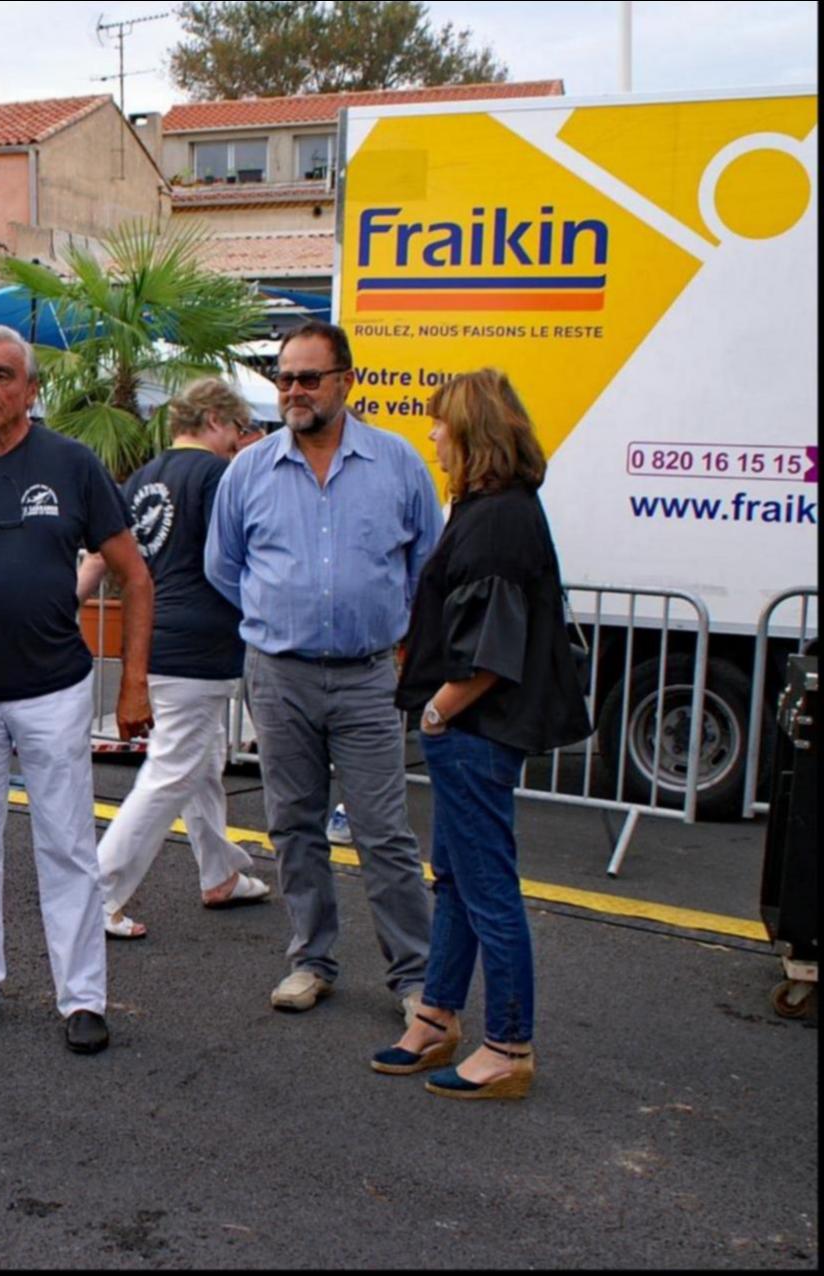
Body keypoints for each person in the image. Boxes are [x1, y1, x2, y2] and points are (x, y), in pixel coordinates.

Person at [0, 324, 155, 1056]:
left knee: (67, 843)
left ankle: (82, 997)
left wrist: (132, 686)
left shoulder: (73, 465)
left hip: (54, 688)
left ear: (31, 390)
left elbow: (135, 575)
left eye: (2, 375)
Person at [205, 320, 442, 1019]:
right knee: (294, 825)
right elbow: (224, 567)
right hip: (279, 676)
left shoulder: (398, 464)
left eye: (309, 377)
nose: (295, 391)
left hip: (368, 677)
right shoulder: (248, 470)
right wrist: (278, 616)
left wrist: (391, 635)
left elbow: (426, 566)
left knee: (383, 832)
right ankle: (311, 959)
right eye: (284, 378)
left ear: (346, 380)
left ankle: (416, 979)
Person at [374, 369, 591, 1100]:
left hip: (473, 728)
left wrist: (438, 710)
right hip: (472, 729)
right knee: (460, 881)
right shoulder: (497, 508)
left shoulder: (496, 519)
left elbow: (491, 648)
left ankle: (507, 1043)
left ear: (470, 434)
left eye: (440, 424)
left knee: (486, 887)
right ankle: (437, 1017)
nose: (430, 434)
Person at [80, 378, 272, 942]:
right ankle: (98, 892)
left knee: (201, 757)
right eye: (237, 429)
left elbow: (104, 555)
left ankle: (220, 872)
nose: (239, 441)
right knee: (171, 769)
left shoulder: (144, 478)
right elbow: (239, 553)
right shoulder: (219, 477)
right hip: (200, 642)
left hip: (153, 636)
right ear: (214, 419)